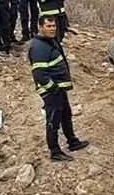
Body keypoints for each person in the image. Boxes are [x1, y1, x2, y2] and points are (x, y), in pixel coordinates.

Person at [29, 15, 89, 161]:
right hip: (51, 91)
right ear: (40, 27)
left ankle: (72, 142)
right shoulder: (38, 48)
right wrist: (53, 88)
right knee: (53, 120)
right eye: (48, 26)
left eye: (54, 26)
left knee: (66, 115)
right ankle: (54, 151)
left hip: (59, 88)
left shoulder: (49, 41)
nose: (52, 29)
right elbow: (40, 74)